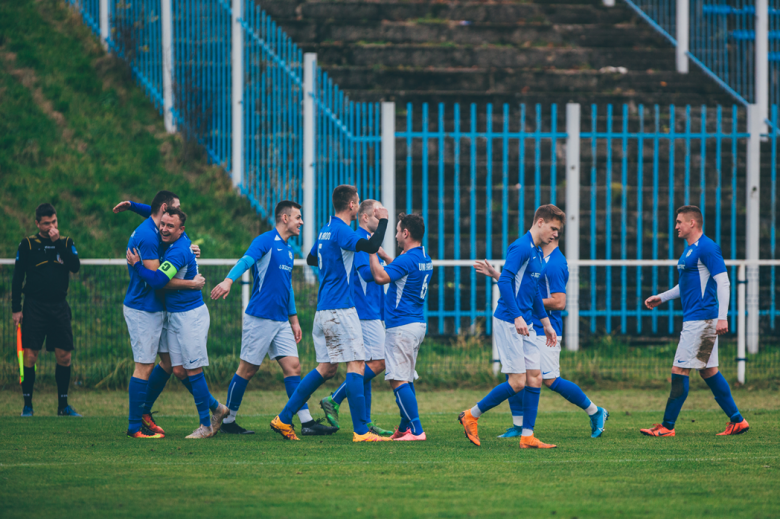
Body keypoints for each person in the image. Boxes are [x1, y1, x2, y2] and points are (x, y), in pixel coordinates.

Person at [269, 185, 390, 442]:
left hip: (323, 308)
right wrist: (385, 220)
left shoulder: (326, 230)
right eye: (357, 203)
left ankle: (283, 417)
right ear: (352, 206)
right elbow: (372, 246)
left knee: (326, 369)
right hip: (340, 309)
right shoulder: (341, 230)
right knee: (356, 365)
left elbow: (313, 258)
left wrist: (333, 268)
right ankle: (361, 432)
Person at [210, 200, 336, 436]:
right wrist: (228, 280)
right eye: (298, 217)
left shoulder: (288, 250)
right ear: (285, 218)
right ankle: (228, 421)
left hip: (281, 321)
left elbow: (286, 288)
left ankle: (306, 422)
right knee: (247, 370)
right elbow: (246, 261)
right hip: (259, 317)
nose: (302, 222)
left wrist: (294, 320)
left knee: (294, 368)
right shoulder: (265, 240)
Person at [474, 235, 609, 439]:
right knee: (515, 373)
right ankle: (519, 426)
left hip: (546, 328)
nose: (550, 232)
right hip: (529, 323)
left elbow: (559, 302)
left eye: (555, 229)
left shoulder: (555, 263)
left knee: (550, 379)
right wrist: (496, 274)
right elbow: (523, 286)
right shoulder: (535, 255)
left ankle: (595, 411)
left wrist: (528, 304)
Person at [114, 195, 223, 436]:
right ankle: (136, 425)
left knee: (180, 367)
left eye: (172, 222)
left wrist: (133, 207)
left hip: (179, 313)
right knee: (154, 366)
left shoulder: (174, 241)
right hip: (147, 308)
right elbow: (157, 282)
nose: (167, 224)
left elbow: (159, 278)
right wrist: (190, 284)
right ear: (162, 211)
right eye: (167, 217)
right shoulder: (153, 235)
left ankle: (208, 418)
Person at [458, 204, 561, 449]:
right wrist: (516, 316)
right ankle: (471, 415)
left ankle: (527, 436)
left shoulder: (536, 252)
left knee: (535, 378)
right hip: (509, 321)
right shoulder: (521, 247)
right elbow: (505, 281)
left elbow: (533, 291)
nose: (556, 234)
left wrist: (546, 324)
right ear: (539, 222)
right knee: (517, 382)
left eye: (558, 230)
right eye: (553, 228)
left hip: (526, 322)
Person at [641, 205, 748, 437]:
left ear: (692, 223)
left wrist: (722, 317)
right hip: (697, 318)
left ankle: (668, 426)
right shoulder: (689, 250)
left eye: (679, 222)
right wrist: (662, 297)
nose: (676, 226)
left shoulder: (708, 247)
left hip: (702, 320)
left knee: (679, 368)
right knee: (709, 371)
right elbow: (687, 285)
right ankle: (738, 421)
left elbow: (724, 282)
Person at [319, 199, 395, 436]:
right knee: (381, 362)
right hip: (363, 313)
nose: (381, 217)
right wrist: (388, 264)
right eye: (377, 214)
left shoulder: (369, 244)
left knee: (365, 367)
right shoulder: (361, 241)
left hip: (371, 311)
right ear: (364, 217)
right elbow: (368, 275)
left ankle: (366, 421)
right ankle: (335, 397)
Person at [366, 213, 432, 441]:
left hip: (401, 326)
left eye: (396, 231)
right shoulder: (423, 257)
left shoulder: (407, 259)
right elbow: (404, 271)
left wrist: (373, 249)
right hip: (416, 324)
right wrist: (386, 255)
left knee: (398, 379)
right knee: (406, 377)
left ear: (406, 233)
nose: (394, 235)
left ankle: (417, 430)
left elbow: (380, 277)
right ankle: (405, 428)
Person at [13, 203, 81, 417]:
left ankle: (63, 406)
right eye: (46, 223)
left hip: (59, 306)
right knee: (30, 356)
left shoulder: (66, 243)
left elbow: (75, 266)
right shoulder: (27, 245)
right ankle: (28, 406)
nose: (51, 226)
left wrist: (57, 243)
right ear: (37, 223)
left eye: (54, 222)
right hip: (34, 306)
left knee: (64, 357)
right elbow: (17, 278)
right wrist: (16, 309)